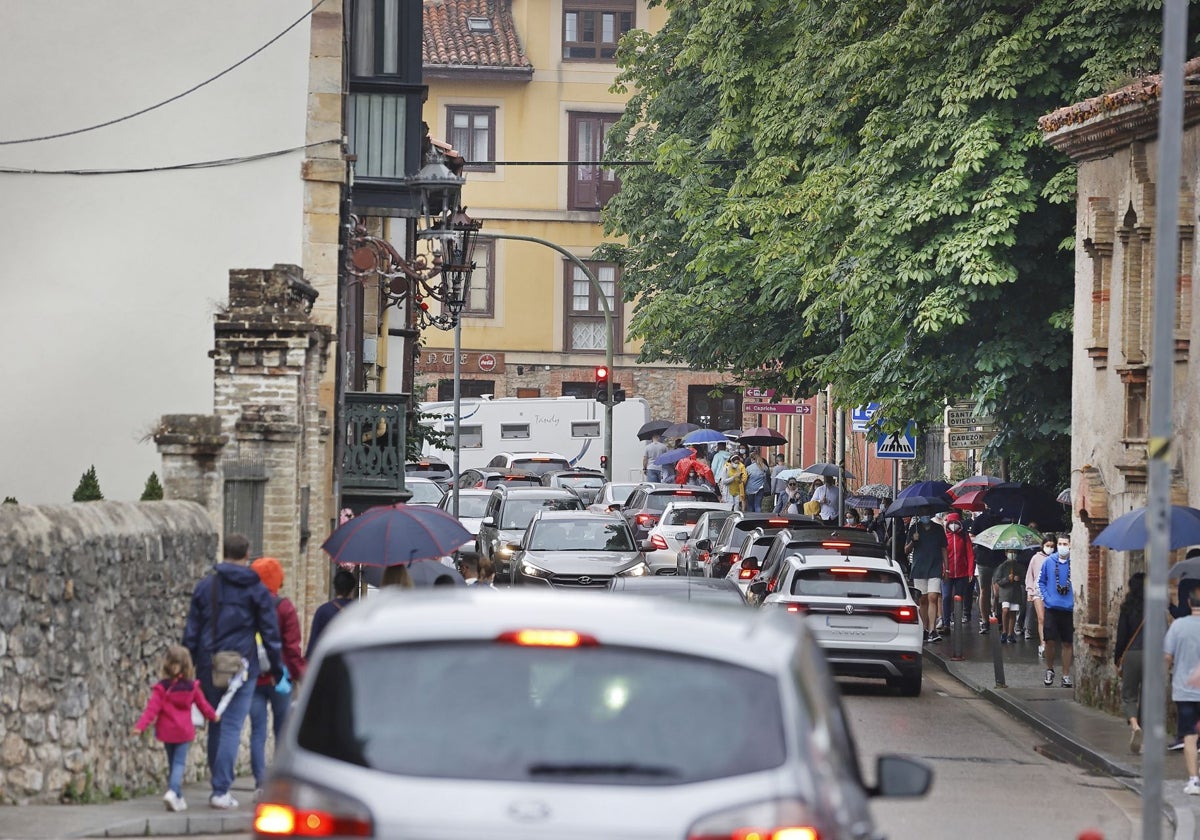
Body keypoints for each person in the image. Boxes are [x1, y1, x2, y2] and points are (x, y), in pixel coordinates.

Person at [182, 533, 282, 810]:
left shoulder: (206, 587)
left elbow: (191, 630)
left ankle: (219, 783)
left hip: (208, 663)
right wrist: (276, 668)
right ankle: (221, 789)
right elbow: (269, 632)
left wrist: (189, 664)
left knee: (216, 722)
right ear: (248, 553)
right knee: (231, 727)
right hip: (242, 667)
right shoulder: (257, 591)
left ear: (223, 552)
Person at [132, 645, 219, 813]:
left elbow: (152, 709)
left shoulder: (162, 688)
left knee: (173, 764)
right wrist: (213, 716)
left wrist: (140, 727)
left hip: (166, 731)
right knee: (179, 764)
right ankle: (173, 792)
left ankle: (177, 796)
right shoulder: (192, 687)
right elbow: (203, 705)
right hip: (183, 731)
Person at [248, 557, 307, 801]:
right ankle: (280, 781)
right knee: (282, 732)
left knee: (257, 731)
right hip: (280, 679)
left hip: (253, 678)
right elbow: (292, 648)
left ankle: (260, 782)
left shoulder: (247, 606)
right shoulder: (285, 608)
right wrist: (301, 674)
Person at [1165, 580, 1200, 795]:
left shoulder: (1178, 626)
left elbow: (1167, 656)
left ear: (1188, 602)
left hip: (1184, 690)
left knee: (1189, 736)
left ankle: (1194, 780)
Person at [1114, 572, 1146, 754]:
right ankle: (1145, 733)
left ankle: (1135, 725)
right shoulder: (1156, 607)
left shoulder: (1127, 608)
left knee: (1129, 695)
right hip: (1153, 655)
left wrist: (1117, 658)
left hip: (1132, 654)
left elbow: (1121, 637)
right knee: (1148, 696)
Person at [1037, 532, 1074, 688]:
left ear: (1070, 545)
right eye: (1060, 544)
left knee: (1067, 643)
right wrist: (1047, 597)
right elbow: (1041, 582)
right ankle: (1050, 669)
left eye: (1065, 544)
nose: (1062, 547)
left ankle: (1066, 674)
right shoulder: (1049, 562)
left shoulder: (1075, 562)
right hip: (1052, 607)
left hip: (1068, 608)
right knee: (1049, 640)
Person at [906, 515, 947, 643]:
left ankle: (932, 630)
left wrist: (947, 568)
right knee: (922, 599)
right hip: (919, 568)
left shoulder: (939, 529)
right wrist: (913, 540)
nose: (925, 515)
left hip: (935, 567)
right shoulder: (914, 528)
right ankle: (924, 628)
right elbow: (906, 550)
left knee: (933, 597)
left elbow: (943, 548)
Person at [970, 502, 1007, 635]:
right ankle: (985, 621)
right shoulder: (980, 519)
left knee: (998, 591)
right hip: (983, 559)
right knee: (984, 591)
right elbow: (972, 536)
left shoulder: (1002, 519)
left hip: (999, 559)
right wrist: (983, 539)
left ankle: (997, 615)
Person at [306, 568, 356, 659]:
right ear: (352, 589)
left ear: (335, 587)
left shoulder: (323, 611)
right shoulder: (360, 611)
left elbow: (312, 649)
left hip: (329, 665)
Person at [940, 511, 974, 632]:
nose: (953, 525)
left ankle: (957, 619)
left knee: (958, 598)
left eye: (955, 523)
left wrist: (970, 572)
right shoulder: (943, 537)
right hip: (947, 573)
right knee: (946, 597)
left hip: (961, 573)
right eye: (951, 523)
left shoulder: (964, 537)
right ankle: (946, 623)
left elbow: (970, 554)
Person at [1024, 535, 1056, 655]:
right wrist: (1030, 591)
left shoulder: (1056, 558)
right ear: (1043, 545)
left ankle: (1049, 641)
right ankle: (1043, 644)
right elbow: (1030, 575)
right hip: (1038, 591)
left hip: (1052, 592)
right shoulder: (1035, 558)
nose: (1050, 548)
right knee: (1041, 618)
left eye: (1052, 546)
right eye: (1048, 546)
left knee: (1050, 619)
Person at [993, 550, 1027, 643]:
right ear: (1006, 553)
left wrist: (1018, 579)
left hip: (1015, 592)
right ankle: (1004, 631)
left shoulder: (1019, 566)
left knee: (1013, 612)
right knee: (1005, 610)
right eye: (1010, 552)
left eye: (1014, 552)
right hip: (1005, 592)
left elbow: (1024, 579)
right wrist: (1007, 579)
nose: (1012, 554)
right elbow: (998, 580)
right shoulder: (1002, 566)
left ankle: (1010, 633)